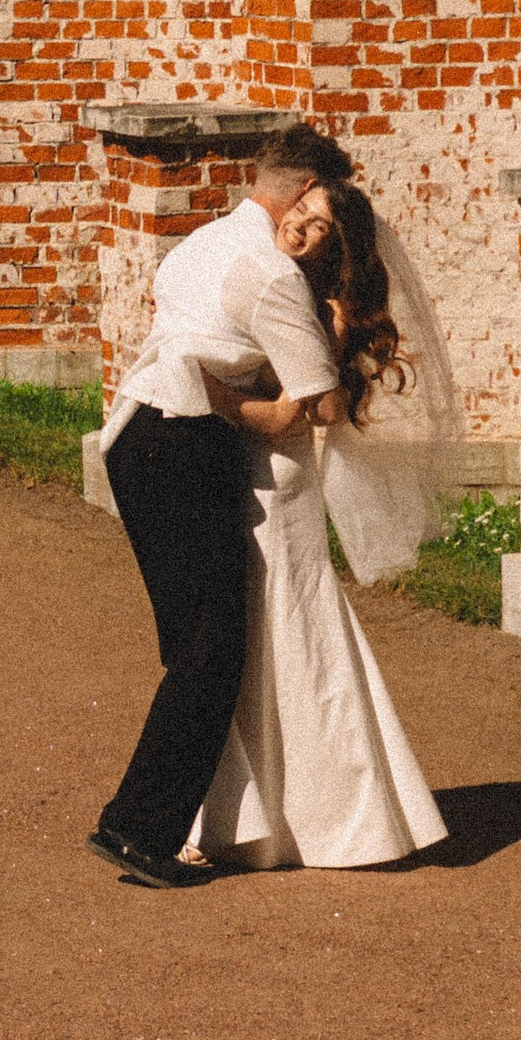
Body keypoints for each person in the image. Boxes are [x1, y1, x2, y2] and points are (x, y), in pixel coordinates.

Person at [87, 121, 353, 890]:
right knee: (213, 651)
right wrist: (320, 336)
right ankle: (138, 829)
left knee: (191, 647)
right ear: (306, 190)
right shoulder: (270, 272)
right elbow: (321, 403)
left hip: (134, 435)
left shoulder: (202, 240)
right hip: (184, 444)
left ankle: (188, 821)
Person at [192, 178, 447, 872]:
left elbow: (316, 409)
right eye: (301, 213)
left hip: (277, 478)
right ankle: (250, 818)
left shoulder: (322, 308)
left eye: (320, 227)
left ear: (338, 248)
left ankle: (337, 818)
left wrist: (207, 391)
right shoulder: (264, 275)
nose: (300, 229)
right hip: (237, 468)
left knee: (290, 633)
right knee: (245, 641)